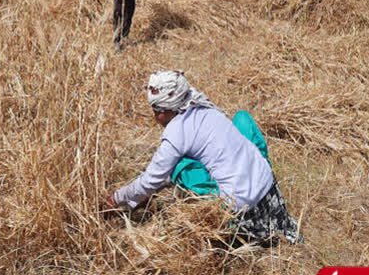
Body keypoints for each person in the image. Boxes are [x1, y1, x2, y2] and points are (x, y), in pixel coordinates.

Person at [106, 70, 301, 246]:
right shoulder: (203, 105)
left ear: (166, 111)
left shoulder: (177, 132)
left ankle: (246, 233)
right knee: (241, 120)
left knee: (180, 167)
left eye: (156, 112)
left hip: (244, 209)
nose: (155, 118)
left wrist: (117, 199)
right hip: (268, 187)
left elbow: (151, 179)